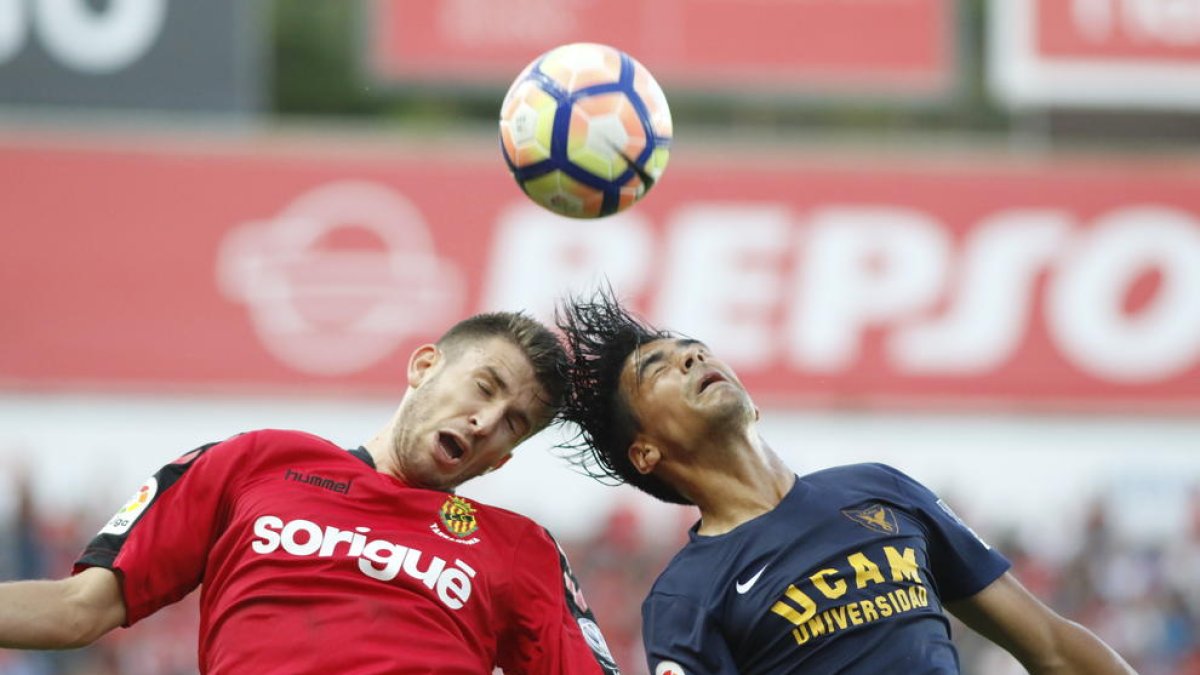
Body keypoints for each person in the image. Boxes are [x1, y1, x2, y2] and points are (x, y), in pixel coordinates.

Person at [0, 311, 620, 675]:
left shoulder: (516, 547)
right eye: (484, 387)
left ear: (500, 462)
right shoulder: (257, 462)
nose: (486, 421)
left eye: (512, 422)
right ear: (425, 366)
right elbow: (77, 609)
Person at [555, 289, 1136, 675]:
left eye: (696, 350)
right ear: (646, 452)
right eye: (659, 367)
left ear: (753, 406)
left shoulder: (878, 488)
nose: (691, 358)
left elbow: (1052, 647)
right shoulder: (685, 598)